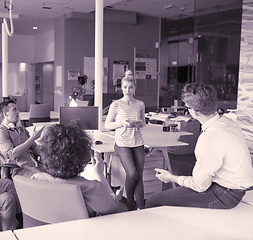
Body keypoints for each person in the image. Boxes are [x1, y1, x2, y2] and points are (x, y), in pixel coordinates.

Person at [145, 83, 253, 209]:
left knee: (153, 201)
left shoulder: (209, 138)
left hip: (225, 196)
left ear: (192, 111)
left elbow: (200, 185)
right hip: (235, 189)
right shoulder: (228, 122)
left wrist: (171, 177)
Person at [31, 123, 126, 216]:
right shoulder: (91, 187)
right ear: (83, 157)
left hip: (45, 229)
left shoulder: (36, 179)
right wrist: (100, 175)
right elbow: (114, 209)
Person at [105, 73, 146, 210]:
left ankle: (141, 207)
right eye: (125, 87)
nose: (127, 90)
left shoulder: (140, 104)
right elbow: (107, 125)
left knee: (139, 175)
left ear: (135, 88)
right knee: (132, 173)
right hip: (122, 143)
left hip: (138, 141)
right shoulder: (116, 104)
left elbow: (144, 123)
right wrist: (122, 123)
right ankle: (130, 203)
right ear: (121, 88)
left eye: (130, 87)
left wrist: (140, 123)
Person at [0, 99, 44, 179]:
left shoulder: (21, 129)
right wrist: (32, 138)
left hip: (34, 165)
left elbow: (33, 147)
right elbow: (12, 155)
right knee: (48, 179)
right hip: (18, 170)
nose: (18, 112)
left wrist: (47, 156)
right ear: (6, 114)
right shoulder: (1, 132)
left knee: (58, 174)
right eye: (14, 110)